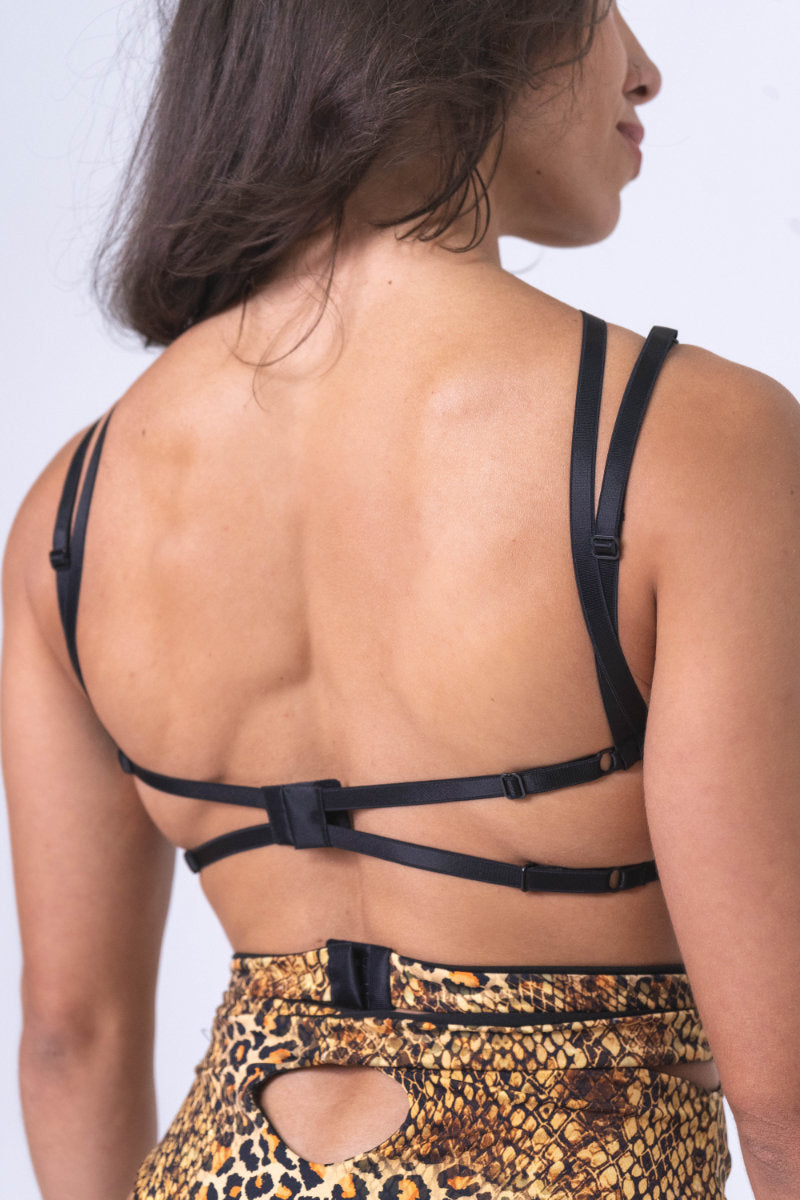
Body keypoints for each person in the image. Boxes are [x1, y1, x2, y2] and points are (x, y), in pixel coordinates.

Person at [3, 0, 800, 1197]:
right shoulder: (686, 444)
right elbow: (782, 1094)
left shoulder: (70, 512)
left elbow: (72, 1041)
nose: (642, 70)